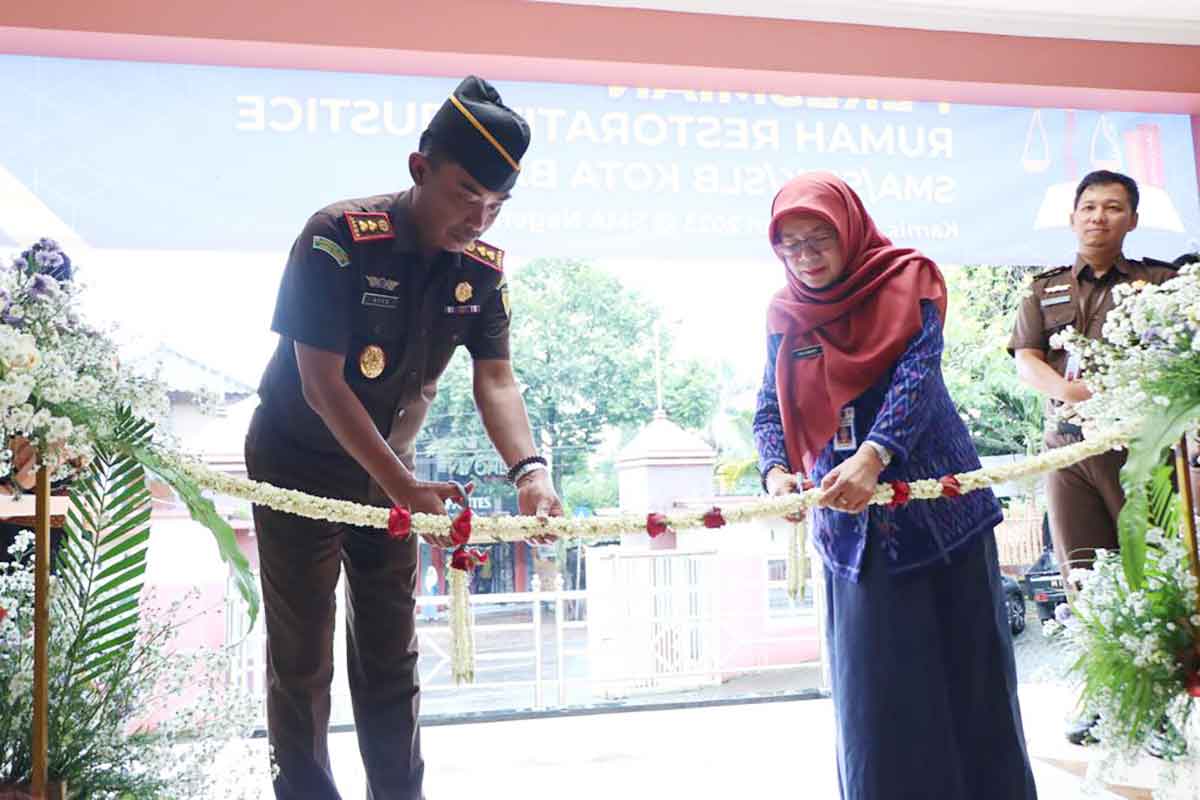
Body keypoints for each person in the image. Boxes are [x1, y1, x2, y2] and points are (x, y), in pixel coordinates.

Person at [245, 76, 563, 800]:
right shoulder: (335, 238)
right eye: (464, 196)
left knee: (391, 653)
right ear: (419, 169)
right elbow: (324, 384)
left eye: (496, 206)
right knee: (301, 657)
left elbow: (497, 381)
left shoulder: (480, 273)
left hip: (393, 471)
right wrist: (404, 488)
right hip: (295, 462)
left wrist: (531, 471)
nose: (478, 219)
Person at [755, 172, 1037, 799]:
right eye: (790, 244)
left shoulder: (910, 280)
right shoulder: (787, 314)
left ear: (849, 227)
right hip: (854, 541)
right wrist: (776, 471)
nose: (806, 255)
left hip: (943, 523)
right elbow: (769, 406)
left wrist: (876, 455)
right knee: (876, 702)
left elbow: (918, 380)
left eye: (819, 237)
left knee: (973, 687)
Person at [1010, 170, 1177, 592]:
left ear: (1133, 220)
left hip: (1139, 446)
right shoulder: (1042, 288)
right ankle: (1101, 656)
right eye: (1089, 207)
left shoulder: (1159, 283)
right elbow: (1027, 359)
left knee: (1159, 573)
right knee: (1083, 580)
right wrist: (1070, 392)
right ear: (1073, 218)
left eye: (1113, 207)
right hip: (1067, 448)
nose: (1098, 217)